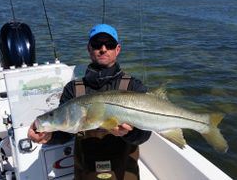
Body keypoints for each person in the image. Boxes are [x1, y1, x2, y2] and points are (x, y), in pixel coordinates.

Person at [28, 24, 151, 180]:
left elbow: (145, 134)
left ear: (117, 49)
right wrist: (48, 136)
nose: (103, 48)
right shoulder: (73, 89)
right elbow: (64, 132)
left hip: (124, 171)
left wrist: (130, 132)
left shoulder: (133, 86)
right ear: (89, 48)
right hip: (86, 171)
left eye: (109, 44)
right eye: (97, 44)